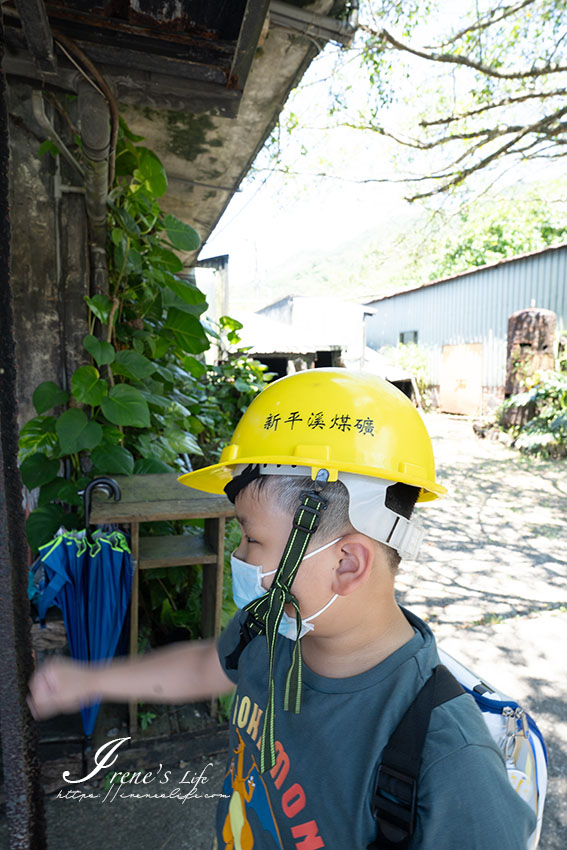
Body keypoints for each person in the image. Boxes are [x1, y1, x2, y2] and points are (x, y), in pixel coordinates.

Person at [28, 369, 536, 849]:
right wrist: (91, 680)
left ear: (347, 563)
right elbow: (208, 665)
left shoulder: (446, 758)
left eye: (252, 538)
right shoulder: (271, 631)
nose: (239, 557)